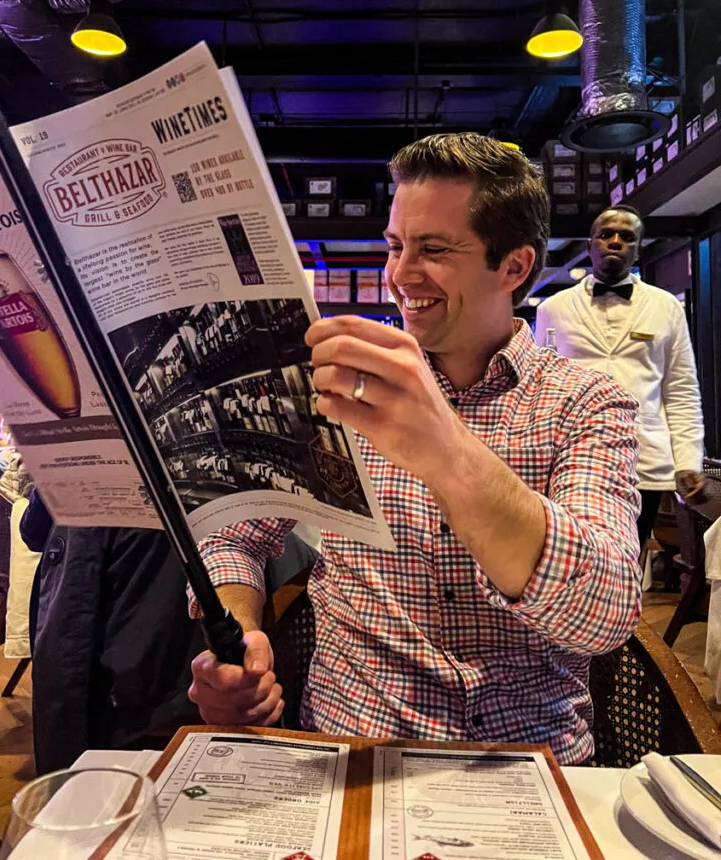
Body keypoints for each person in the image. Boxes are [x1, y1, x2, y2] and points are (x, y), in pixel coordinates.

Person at [188, 133, 642, 765]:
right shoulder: (335, 388)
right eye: (396, 247)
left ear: (513, 266)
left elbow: (607, 612)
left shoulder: (586, 402)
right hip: (356, 746)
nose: (400, 275)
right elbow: (236, 534)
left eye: (434, 249)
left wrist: (445, 448)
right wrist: (239, 638)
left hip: (525, 762)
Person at [536, 205, 705, 549]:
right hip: (575, 456)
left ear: (638, 248)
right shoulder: (552, 308)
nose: (615, 241)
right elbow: (541, 387)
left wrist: (688, 459)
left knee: (631, 556)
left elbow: (681, 388)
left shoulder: (666, 306)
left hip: (645, 459)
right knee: (577, 555)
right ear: (590, 245)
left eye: (626, 237)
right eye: (606, 234)